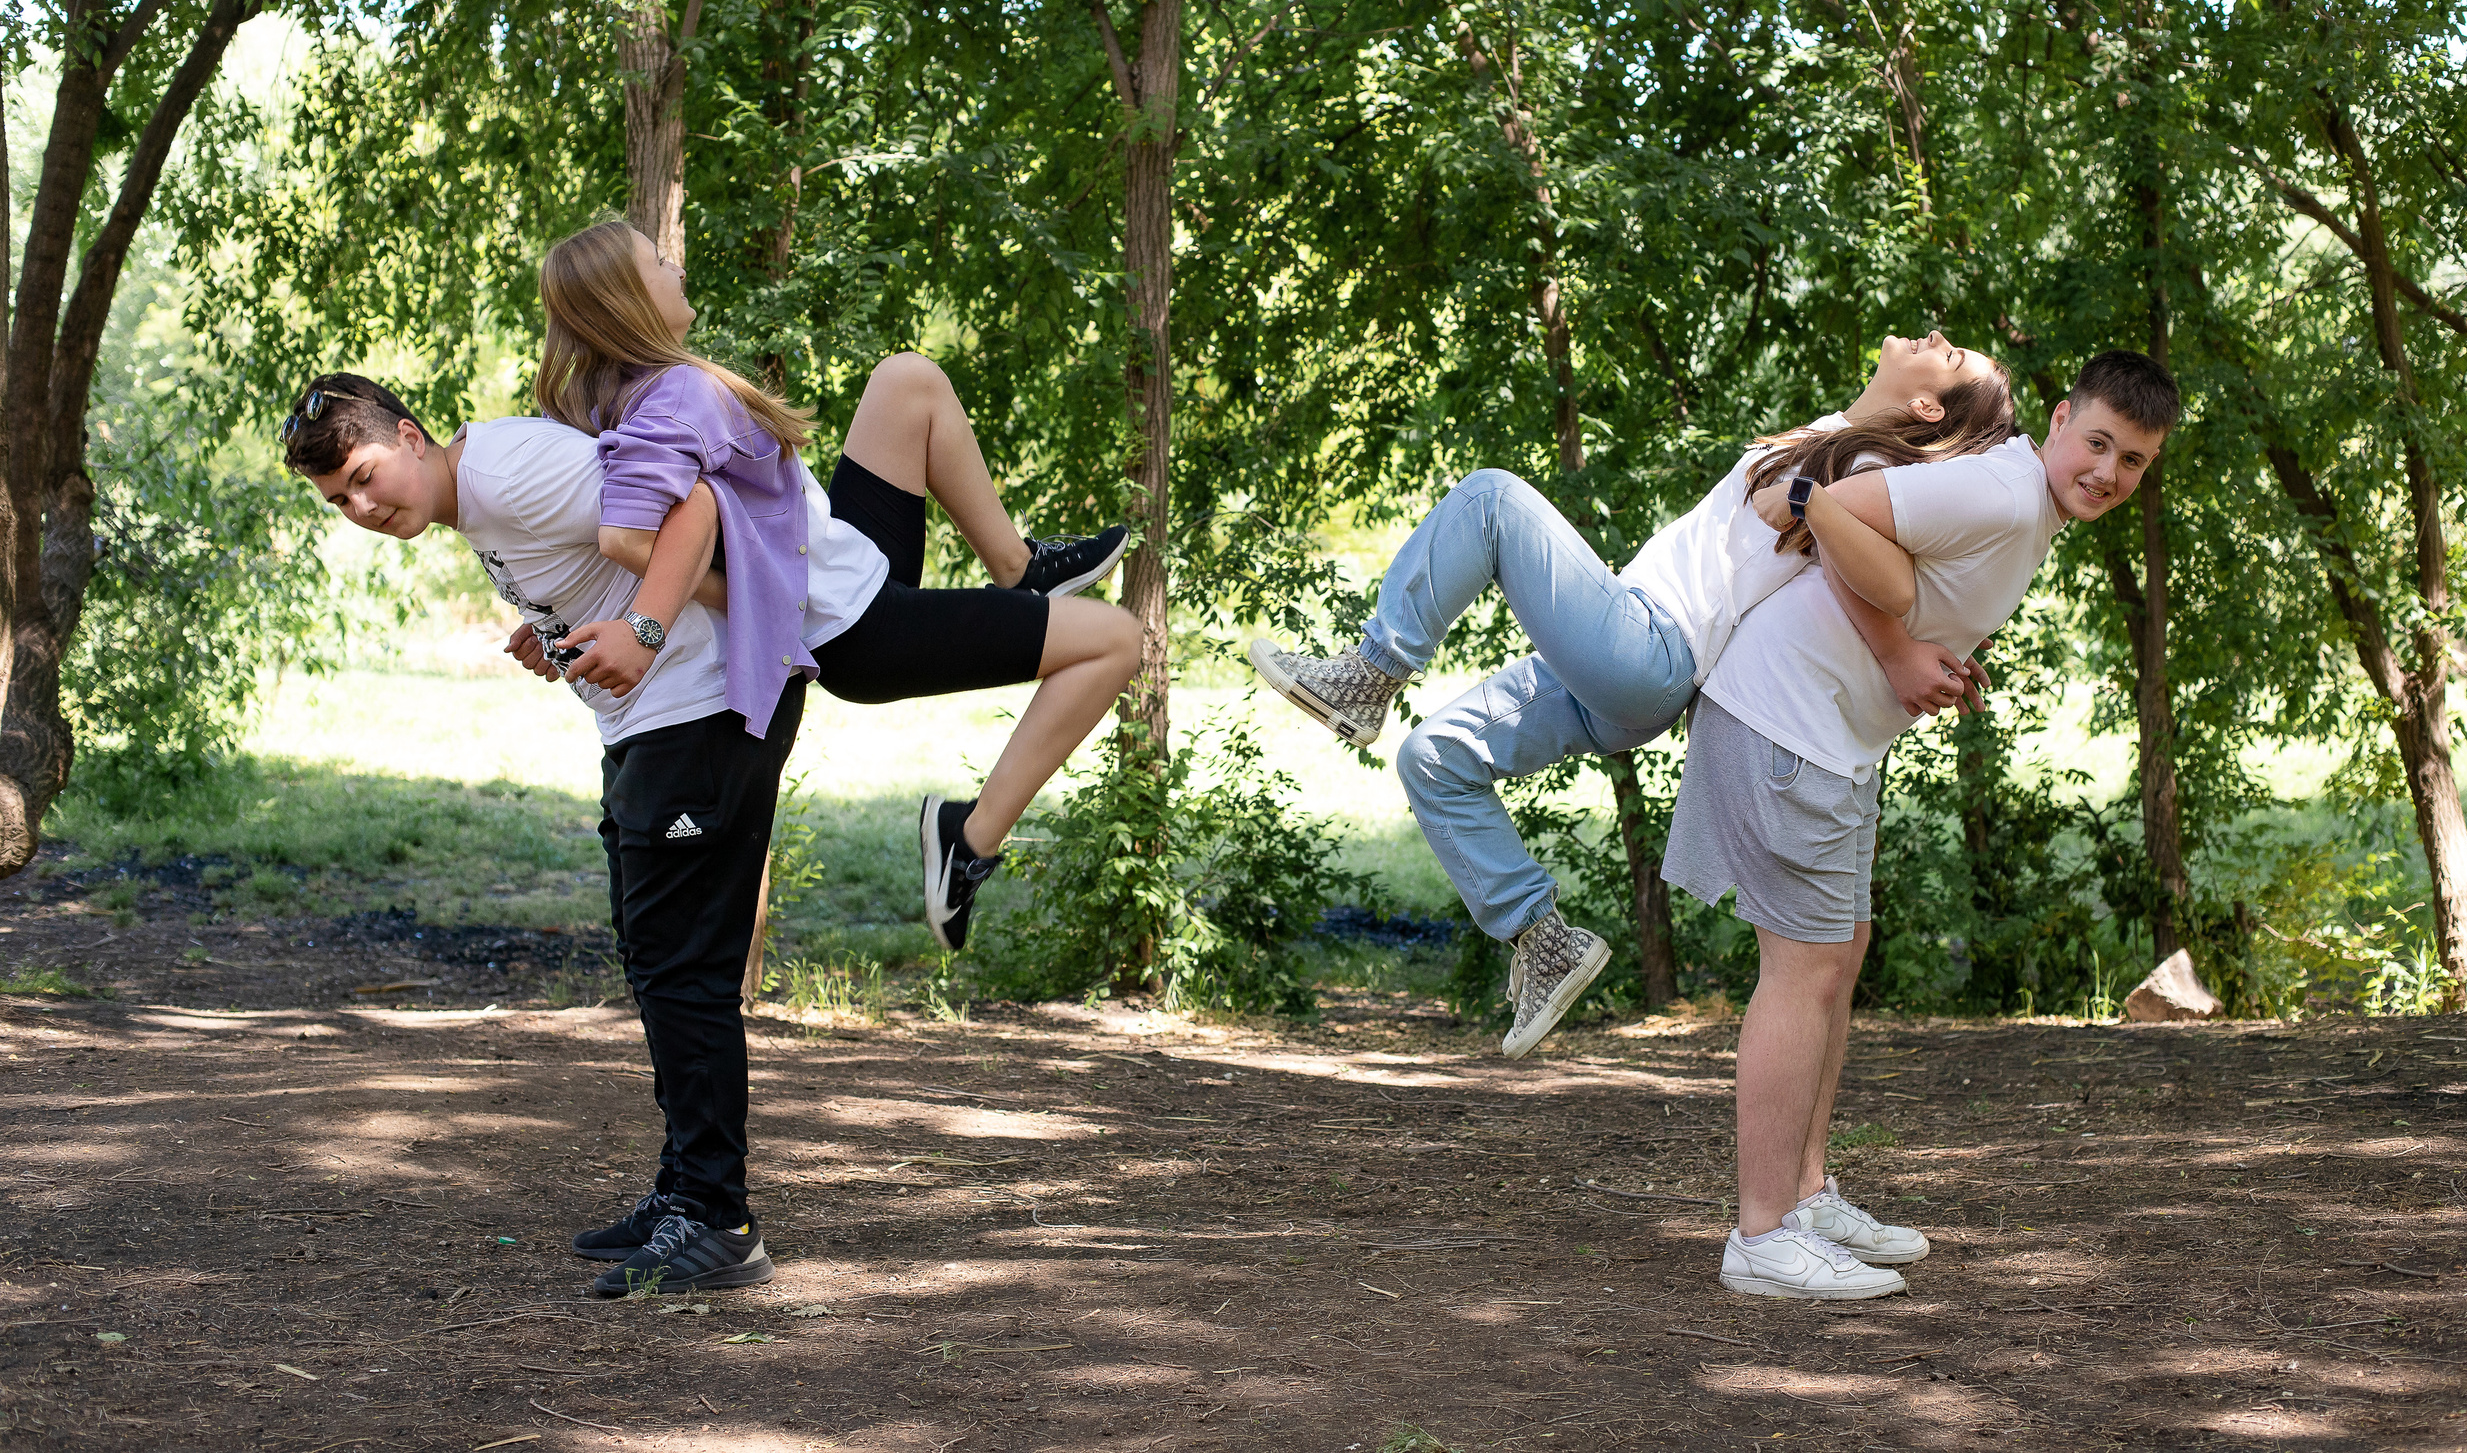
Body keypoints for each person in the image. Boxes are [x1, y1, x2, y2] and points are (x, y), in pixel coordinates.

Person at [285, 355, 1137, 1300]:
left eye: (362, 477)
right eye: (338, 501)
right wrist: (559, 621)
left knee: (680, 966)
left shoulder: (506, 468)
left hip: (700, 706)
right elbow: (619, 544)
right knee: (660, 957)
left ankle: (718, 1218)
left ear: (408, 436)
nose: (360, 507)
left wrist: (645, 629)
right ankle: (688, 1191)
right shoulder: (484, 493)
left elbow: (691, 510)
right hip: (668, 715)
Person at [1249, 333, 2019, 1057]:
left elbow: (1892, 579)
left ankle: (1370, 673)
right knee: (1433, 756)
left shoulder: (1856, 473)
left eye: (1948, 355)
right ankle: (1543, 942)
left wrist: (1889, 629)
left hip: (1653, 646)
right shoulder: (1837, 440)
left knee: (1491, 501)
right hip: (1636, 668)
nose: (1931, 338)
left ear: (1928, 408)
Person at [1689, 349, 2181, 1302]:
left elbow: (1895, 563)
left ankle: (1806, 1195)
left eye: (2134, 462)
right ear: (2059, 418)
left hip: (1827, 733)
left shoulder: (2027, 510)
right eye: (2098, 444)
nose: (2109, 474)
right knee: (1803, 971)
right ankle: (1760, 1234)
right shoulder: (2001, 493)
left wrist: (1930, 656)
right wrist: (1900, 650)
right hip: (1784, 718)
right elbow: (1826, 509)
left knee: (1841, 953)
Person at [531, 219, 1134, 953]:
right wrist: (755, 598)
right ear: (629, 300)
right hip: (856, 626)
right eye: (657, 262)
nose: (674, 265)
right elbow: (626, 540)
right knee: (1116, 642)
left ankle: (1019, 566)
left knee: (908, 380)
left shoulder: (618, 399)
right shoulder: (675, 396)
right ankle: (966, 837)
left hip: (849, 556)